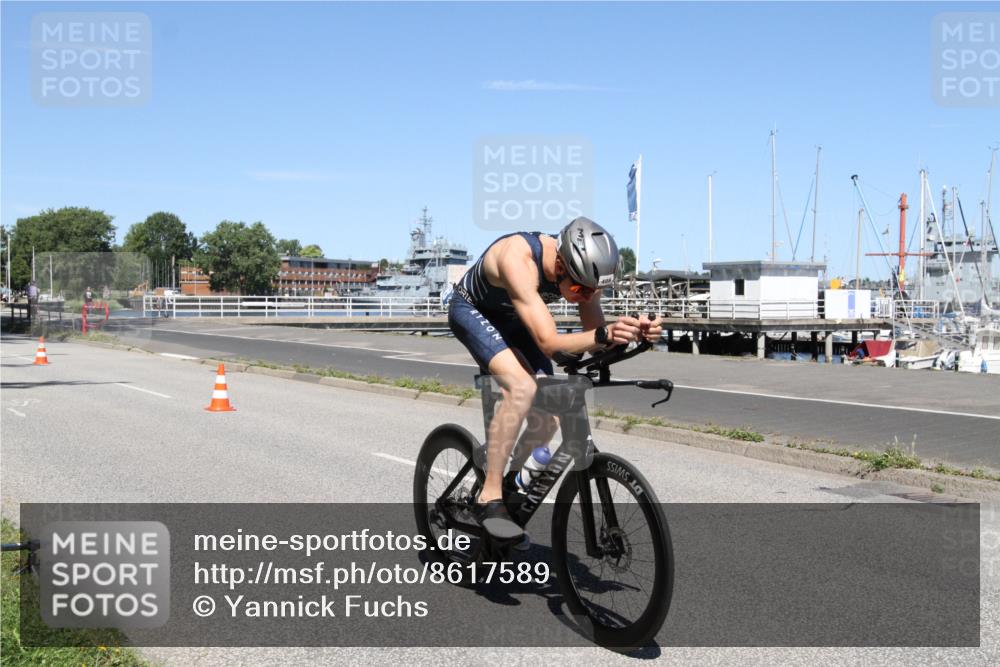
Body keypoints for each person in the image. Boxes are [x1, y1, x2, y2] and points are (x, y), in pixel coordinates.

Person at [449, 217, 662, 538]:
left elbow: (595, 337)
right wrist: (605, 333)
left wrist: (633, 334)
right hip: (474, 312)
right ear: (560, 265)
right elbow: (550, 343)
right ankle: (489, 495)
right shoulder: (517, 259)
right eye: (578, 290)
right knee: (521, 388)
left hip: (518, 319)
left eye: (594, 292)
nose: (584, 297)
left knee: (551, 404)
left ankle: (512, 479)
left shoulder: (582, 280)